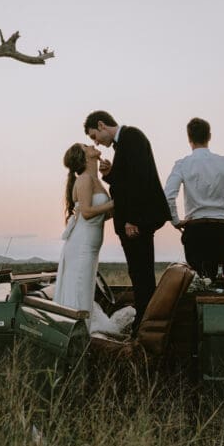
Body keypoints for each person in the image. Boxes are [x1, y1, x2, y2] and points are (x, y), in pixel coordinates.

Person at [85, 110, 171, 333]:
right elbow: (126, 181)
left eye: (95, 136)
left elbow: (139, 181)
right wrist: (110, 173)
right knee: (138, 273)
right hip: (135, 220)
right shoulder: (125, 142)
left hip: (137, 221)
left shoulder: (132, 137)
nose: (97, 142)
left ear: (101, 125)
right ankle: (143, 324)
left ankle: (145, 326)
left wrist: (132, 219)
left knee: (141, 275)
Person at [164, 117, 224, 288]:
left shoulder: (182, 165)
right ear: (209, 136)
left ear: (189, 138)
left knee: (197, 284)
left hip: (194, 230)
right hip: (221, 230)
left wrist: (175, 221)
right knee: (220, 283)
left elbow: (168, 196)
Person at [53, 143, 115, 327]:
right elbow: (87, 212)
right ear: (84, 156)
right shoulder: (85, 179)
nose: (92, 145)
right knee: (80, 288)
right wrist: (114, 203)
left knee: (85, 288)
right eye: (87, 146)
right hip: (82, 244)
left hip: (91, 244)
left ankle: (82, 331)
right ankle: (77, 332)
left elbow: (101, 214)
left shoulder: (96, 179)